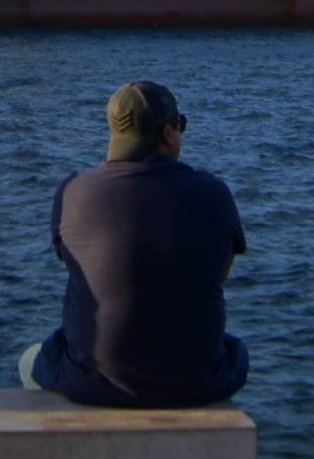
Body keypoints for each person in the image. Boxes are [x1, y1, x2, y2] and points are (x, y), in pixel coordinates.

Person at [23, 81, 249, 408]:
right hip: (197, 382)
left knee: (33, 358)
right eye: (181, 125)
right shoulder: (214, 191)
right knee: (234, 350)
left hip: (90, 385)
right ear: (169, 132)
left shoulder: (72, 190)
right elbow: (216, 271)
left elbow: (75, 265)